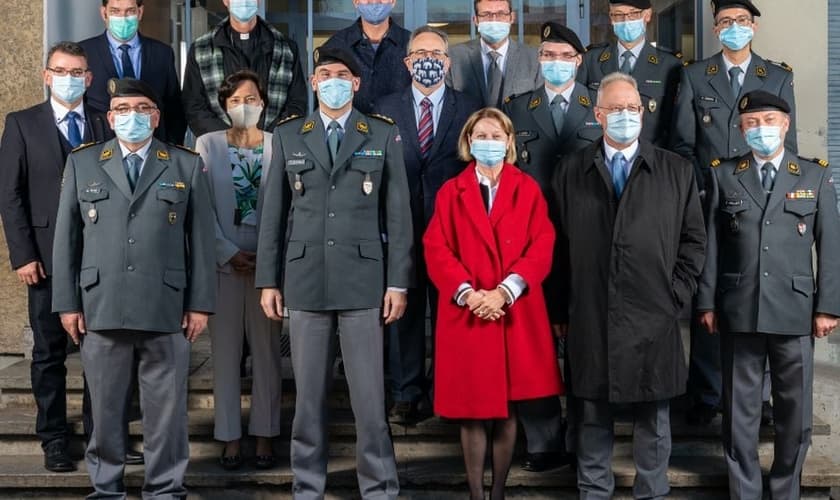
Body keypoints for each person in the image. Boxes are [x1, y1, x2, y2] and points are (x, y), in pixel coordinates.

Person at [255, 47, 413, 500]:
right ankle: (307, 486)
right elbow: (272, 214)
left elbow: (398, 214)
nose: (333, 81)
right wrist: (268, 280)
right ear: (313, 81)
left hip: (364, 282)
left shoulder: (380, 133)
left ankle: (379, 487)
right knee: (307, 399)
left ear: (356, 84)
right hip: (306, 281)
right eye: (325, 74)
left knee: (369, 399)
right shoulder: (289, 135)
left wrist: (397, 282)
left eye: (342, 74)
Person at [51, 78, 216, 498]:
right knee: (105, 411)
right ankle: (107, 488)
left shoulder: (184, 164)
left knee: (167, 413)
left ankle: (165, 489)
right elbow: (66, 240)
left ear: (156, 117)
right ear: (110, 118)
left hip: (165, 305)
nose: (132, 116)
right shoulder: (84, 162)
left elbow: (201, 240)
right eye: (123, 110)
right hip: (101, 304)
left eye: (142, 108)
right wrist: (67, 304)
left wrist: (200, 304)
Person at [551, 72, 705, 499]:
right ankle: (593, 491)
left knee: (654, 415)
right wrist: (560, 309)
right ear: (598, 114)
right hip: (590, 311)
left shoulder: (676, 170)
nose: (625, 115)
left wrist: (676, 294)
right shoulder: (571, 170)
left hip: (655, 311)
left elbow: (694, 241)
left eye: (632, 108)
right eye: (616, 108)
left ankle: (652, 491)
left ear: (643, 112)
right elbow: (557, 247)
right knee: (591, 411)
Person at [696, 90, 840, 500]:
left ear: (786, 124)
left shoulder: (813, 175)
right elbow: (711, 245)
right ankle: (744, 491)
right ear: (742, 130)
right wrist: (706, 302)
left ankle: (784, 490)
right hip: (739, 308)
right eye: (752, 123)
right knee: (739, 414)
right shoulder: (724, 174)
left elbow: (831, 245)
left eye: (769, 121)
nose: (762, 129)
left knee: (795, 414)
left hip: (796, 311)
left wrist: (828, 307)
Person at [424, 107, 563, 500]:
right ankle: (475, 494)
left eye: (496, 136)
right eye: (481, 136)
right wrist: (469, 294)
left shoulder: (528, 188)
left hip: (512, 310)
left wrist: (504, 291)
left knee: (508, 408)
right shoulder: (451, 191)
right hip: (468, 312)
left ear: (510, 142)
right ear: (468, 142)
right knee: (471, 411)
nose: (489, 142)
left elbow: (542, 244)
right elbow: (436, 248)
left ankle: (498, 492)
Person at [671, 0, 795, 426]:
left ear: (753, 26)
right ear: (715, 28)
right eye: (725, 21)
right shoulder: (694, 75)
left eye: (741, 21)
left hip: (762, 203)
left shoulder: (777, 76)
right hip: (710, 201)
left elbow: (788, 145)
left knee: (761, 292)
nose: (734, 27)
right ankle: (706, 392)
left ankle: (759, 396)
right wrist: (702, 189)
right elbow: (682, 144)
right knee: (708, 292)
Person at [0, 41, 112, 473]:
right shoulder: (22, 123)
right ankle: (54, 438)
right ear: (47, 76)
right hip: (45, 258)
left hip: (100, 257)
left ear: (89, 78)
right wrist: (23, 255)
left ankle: (103, 436)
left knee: (101, 351)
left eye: (77, 72)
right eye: (61, 71)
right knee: (48, 353)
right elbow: (10, 195)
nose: (69, 79)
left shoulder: (105, 121)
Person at [372, 26, 481, 424]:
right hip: (401, 227)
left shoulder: (469, 106)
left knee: (451, 313)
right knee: (404, 311)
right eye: (420, 53)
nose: (428, 60)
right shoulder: (385, 107)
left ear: (448, 63)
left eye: (436, 54)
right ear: (407, 62)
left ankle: (445, 390)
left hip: (452, 230)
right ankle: (406, 392)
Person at [502, 21, 595, 473]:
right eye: (548, 55)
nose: (556, 62)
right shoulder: (518, 108)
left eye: (564, 56)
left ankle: (583, 438)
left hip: (586, 240)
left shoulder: (600, 105)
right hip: (530, 243)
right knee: (533, 343)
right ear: (539, 61)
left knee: (584, 341)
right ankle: (542, 440)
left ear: (579, 61)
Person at [194, 70, 283, 471]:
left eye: (251, 99)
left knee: (267, 354)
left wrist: (268, 257)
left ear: (263, 103)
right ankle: (229, 436)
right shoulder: (207, 145)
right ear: (224, 106)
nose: (244, 106)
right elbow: (200, 207)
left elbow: (287, 206)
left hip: (267, 268)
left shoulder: (279, 144)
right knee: (225, 354)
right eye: (235, 101)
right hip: (224, 265)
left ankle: (265, 433)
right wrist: (227, 252)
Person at [182, 0, 307, 136]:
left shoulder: (286, 48)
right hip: (218, 145)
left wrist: (266, 138)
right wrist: (228, 138)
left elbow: (297, 103)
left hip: (274, 143)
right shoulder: (201, 49)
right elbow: (194, 106)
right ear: (225, 1)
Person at [577, 0, 682, 148]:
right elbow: (579, 115)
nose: (626, 20)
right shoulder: (591, 60)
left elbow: (675, 125)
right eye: (619, 15)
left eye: (633, 14)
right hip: (600, 153)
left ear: (647, 15)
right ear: (611, 18)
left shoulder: (669, 65)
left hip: (651, 155)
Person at [79, 0, 187, 144]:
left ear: (140, 12)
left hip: (153, 148)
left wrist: (171, 146)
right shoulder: (84, 53)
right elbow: (79, 105)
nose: (123, 18)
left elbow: (174, 108)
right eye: (115, 11)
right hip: (100, 147)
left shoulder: (162, 53)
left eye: (130, 11)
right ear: (104, 13)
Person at [447, 0, 542, 108]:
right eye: (486, 14)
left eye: (501, 14)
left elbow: (539, 106)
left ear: (512, 17)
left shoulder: (534, 58)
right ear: (476, 20)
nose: (494, 20)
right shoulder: (453, 56)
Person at [323, 0, 412, 114]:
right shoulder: (336, 45)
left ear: (393, 1)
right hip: (352, 124)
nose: (374, 1)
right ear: (356, 2)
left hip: (399, 124)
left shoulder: (412, 45)